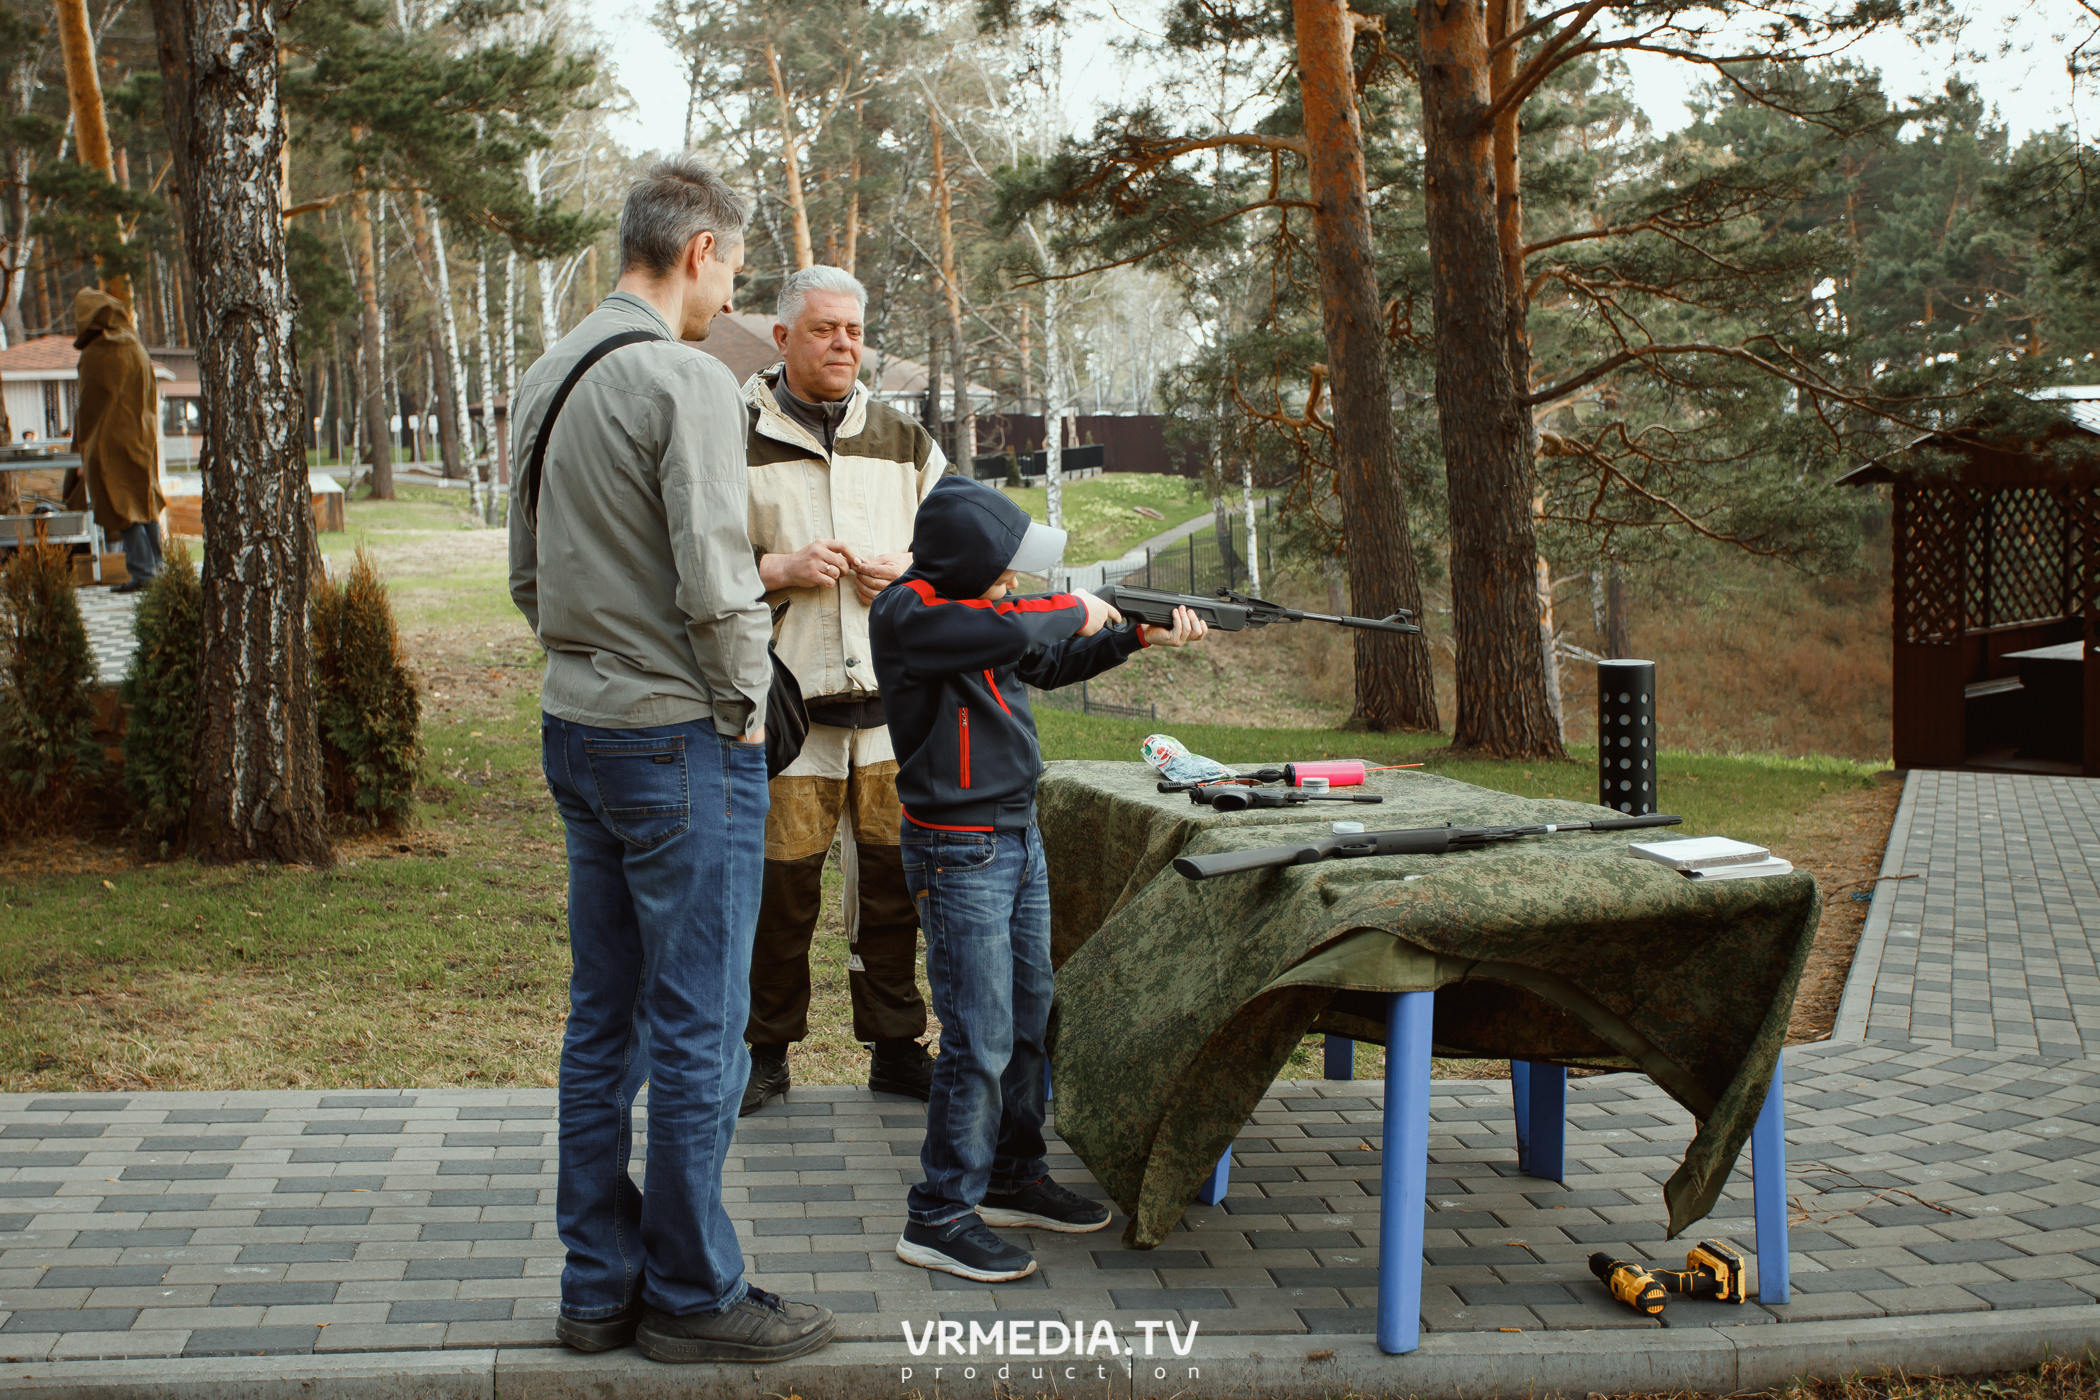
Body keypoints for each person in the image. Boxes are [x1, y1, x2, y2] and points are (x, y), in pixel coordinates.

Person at [508, 155, 834, 1365]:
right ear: (700, 251)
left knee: (604, 1019)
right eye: (736, 268)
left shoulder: (550, 369)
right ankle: (694, 1294)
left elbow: (526, 577)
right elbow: (714, 577)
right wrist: (746, 708)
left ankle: (598, 1285)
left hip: (575, 726)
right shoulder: (686, 381)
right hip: (677, 741)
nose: (732, 293)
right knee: (701, 1020)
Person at [868, 476, 1208, 1281]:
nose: (1014, 581)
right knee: (977, 1036)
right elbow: (1012, 623)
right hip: (958, 848)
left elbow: (1046, 659)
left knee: (1028, 1017)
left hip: (1017, 835)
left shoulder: (982, 617)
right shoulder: (909, 612)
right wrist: (1082, 603)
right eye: (1003, 568)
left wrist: (1132, 637)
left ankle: (1011, 1174)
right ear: (964, 562)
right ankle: (940, 1213)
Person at [739, 265, 940, 1115]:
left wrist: (911, 575)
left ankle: (896, 1050)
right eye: (824, 329)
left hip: (892, 715)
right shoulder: (728, 438)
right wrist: (774, 570)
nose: (843, 345)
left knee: (893, 891)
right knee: (779, 898)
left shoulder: (904, 441)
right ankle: (765, 1058)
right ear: (783, 338)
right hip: (786, 714)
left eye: (854, 330)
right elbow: (685, 563)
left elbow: (969, 559)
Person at [66, 287, 165, 591]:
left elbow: (87, 407)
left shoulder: (96, 353)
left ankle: (143, 572)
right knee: (144, 502)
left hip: (108, 442)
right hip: (141, 437)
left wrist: (82, 451)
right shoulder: (135, 346)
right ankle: (157, 567)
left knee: (122, 505)